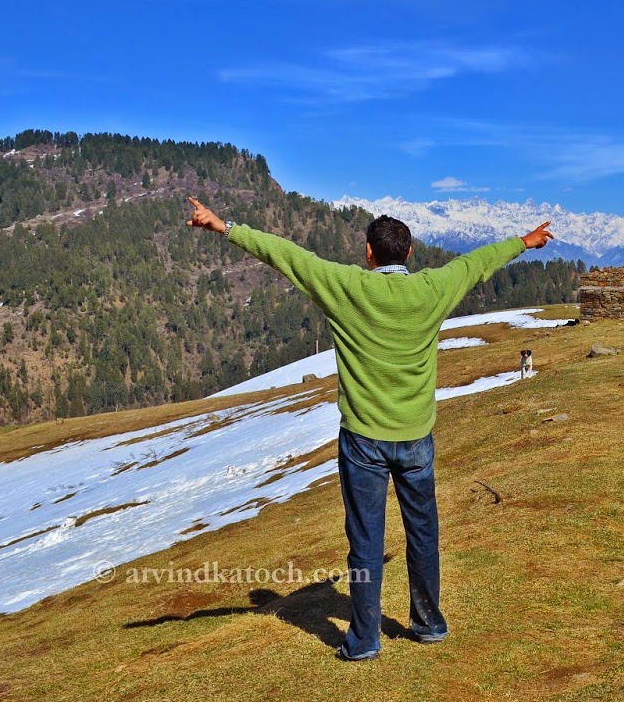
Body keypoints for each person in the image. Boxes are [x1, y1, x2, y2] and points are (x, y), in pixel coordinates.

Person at [186, 197, 555, 660]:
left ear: (368, 253)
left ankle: (363, 641)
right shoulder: (432, 288)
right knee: (423, 534)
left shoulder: (346, 286)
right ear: (409, 254)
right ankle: (429, 624)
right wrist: (525, 242)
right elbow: (476, 264)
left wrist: (226, 226)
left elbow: (286, 256)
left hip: (363, 440)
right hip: (416, 437)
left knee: (365, 541)